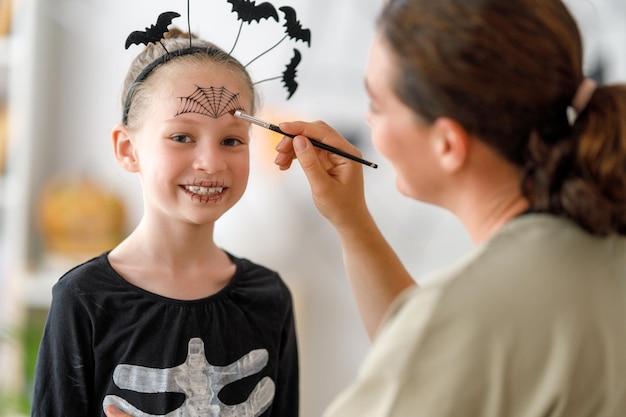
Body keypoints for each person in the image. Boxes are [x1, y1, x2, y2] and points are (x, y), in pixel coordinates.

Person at [271, 0, 625, 415]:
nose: (368, 121)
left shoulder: (467, 318)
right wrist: (352, 222)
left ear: (447, 145)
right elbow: (436, 361)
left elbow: (436, 350)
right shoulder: (598, 242)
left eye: (378, 106)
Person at [32, 29, 299, 417]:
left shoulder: (270, 296)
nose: (211, 162)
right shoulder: (84, 300)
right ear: (128, 149)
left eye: (231, 141)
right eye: (181, 136)